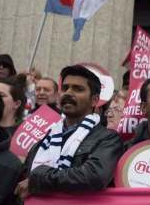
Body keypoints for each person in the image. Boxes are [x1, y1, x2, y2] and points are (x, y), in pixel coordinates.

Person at [18, 65, 124, 197]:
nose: (68, 93)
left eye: (78, 89)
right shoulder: (46, 139)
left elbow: (94, 176)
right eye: (65, 88)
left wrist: (39, 179)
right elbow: (22, 182)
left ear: (94, 100)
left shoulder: (107, 138)